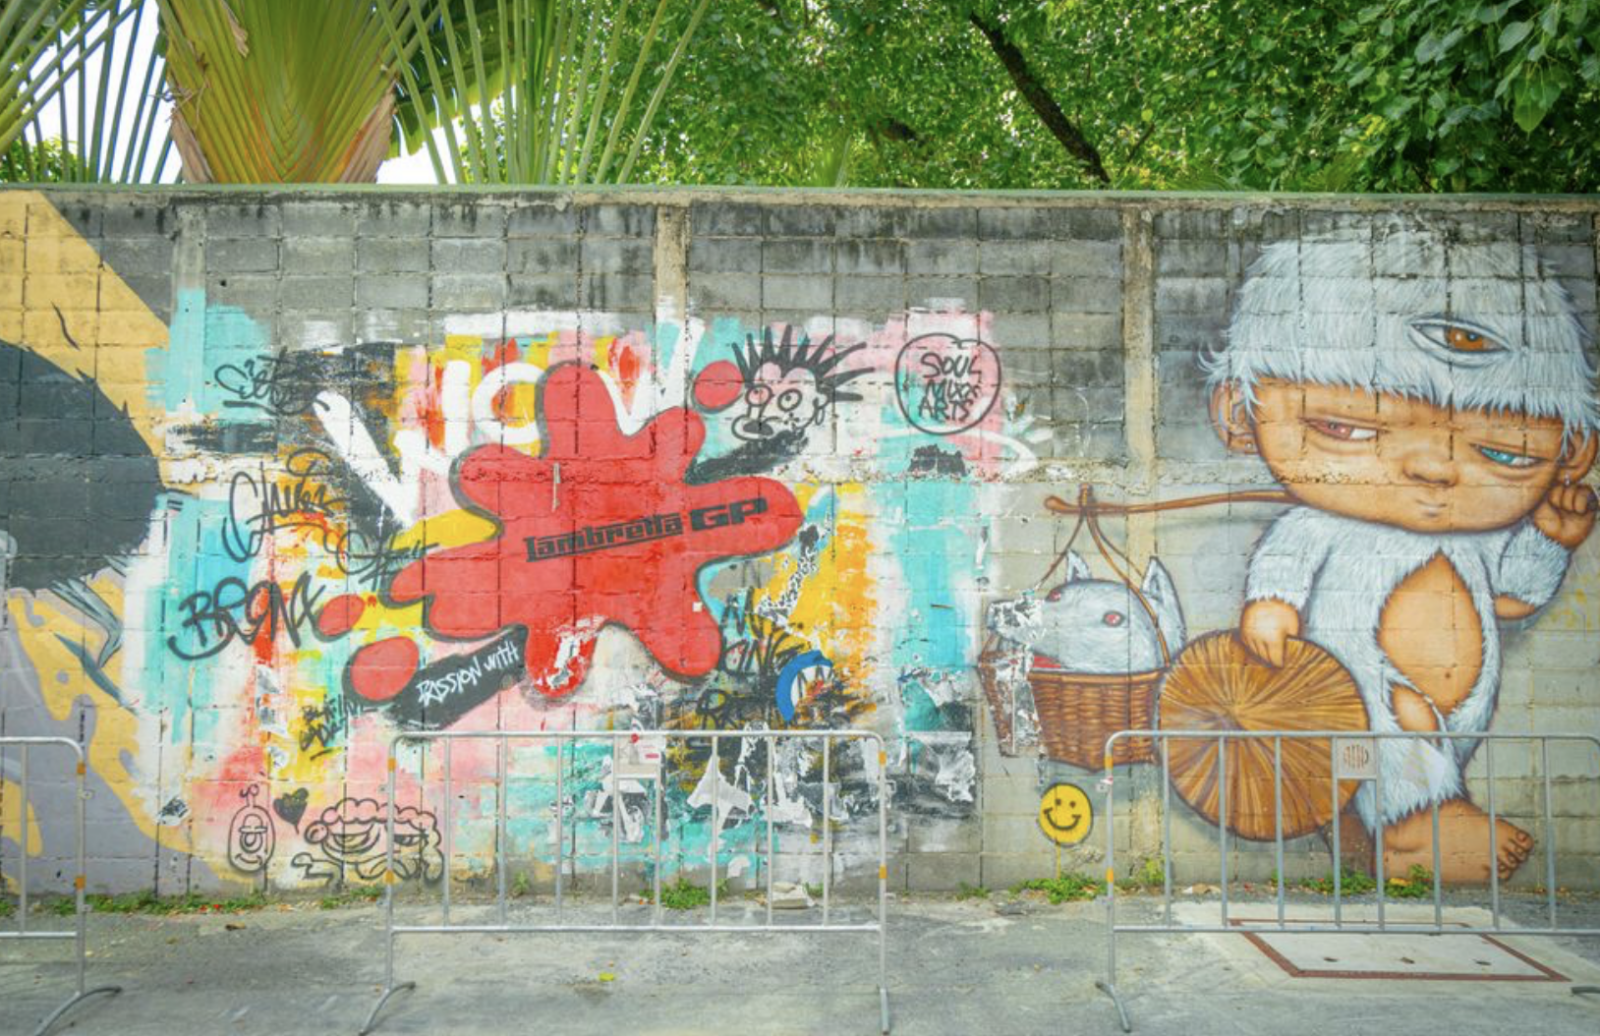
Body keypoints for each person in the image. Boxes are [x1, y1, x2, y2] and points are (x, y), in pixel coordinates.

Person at [1205, 229, 1599, 882]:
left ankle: (1406, 833)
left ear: (1576, 451)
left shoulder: (1476, 537)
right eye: (1345, 428)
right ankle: (1413, 824)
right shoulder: (1322, 525)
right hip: (1364, 696)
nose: (1433, 468)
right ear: (1237, 414)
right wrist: (1271, 606)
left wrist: (1549, 539)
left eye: (1501, 451)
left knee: (1418, 732)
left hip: (1456, 717)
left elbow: (1512, 598)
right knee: (1387, 727)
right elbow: (1285, 560)